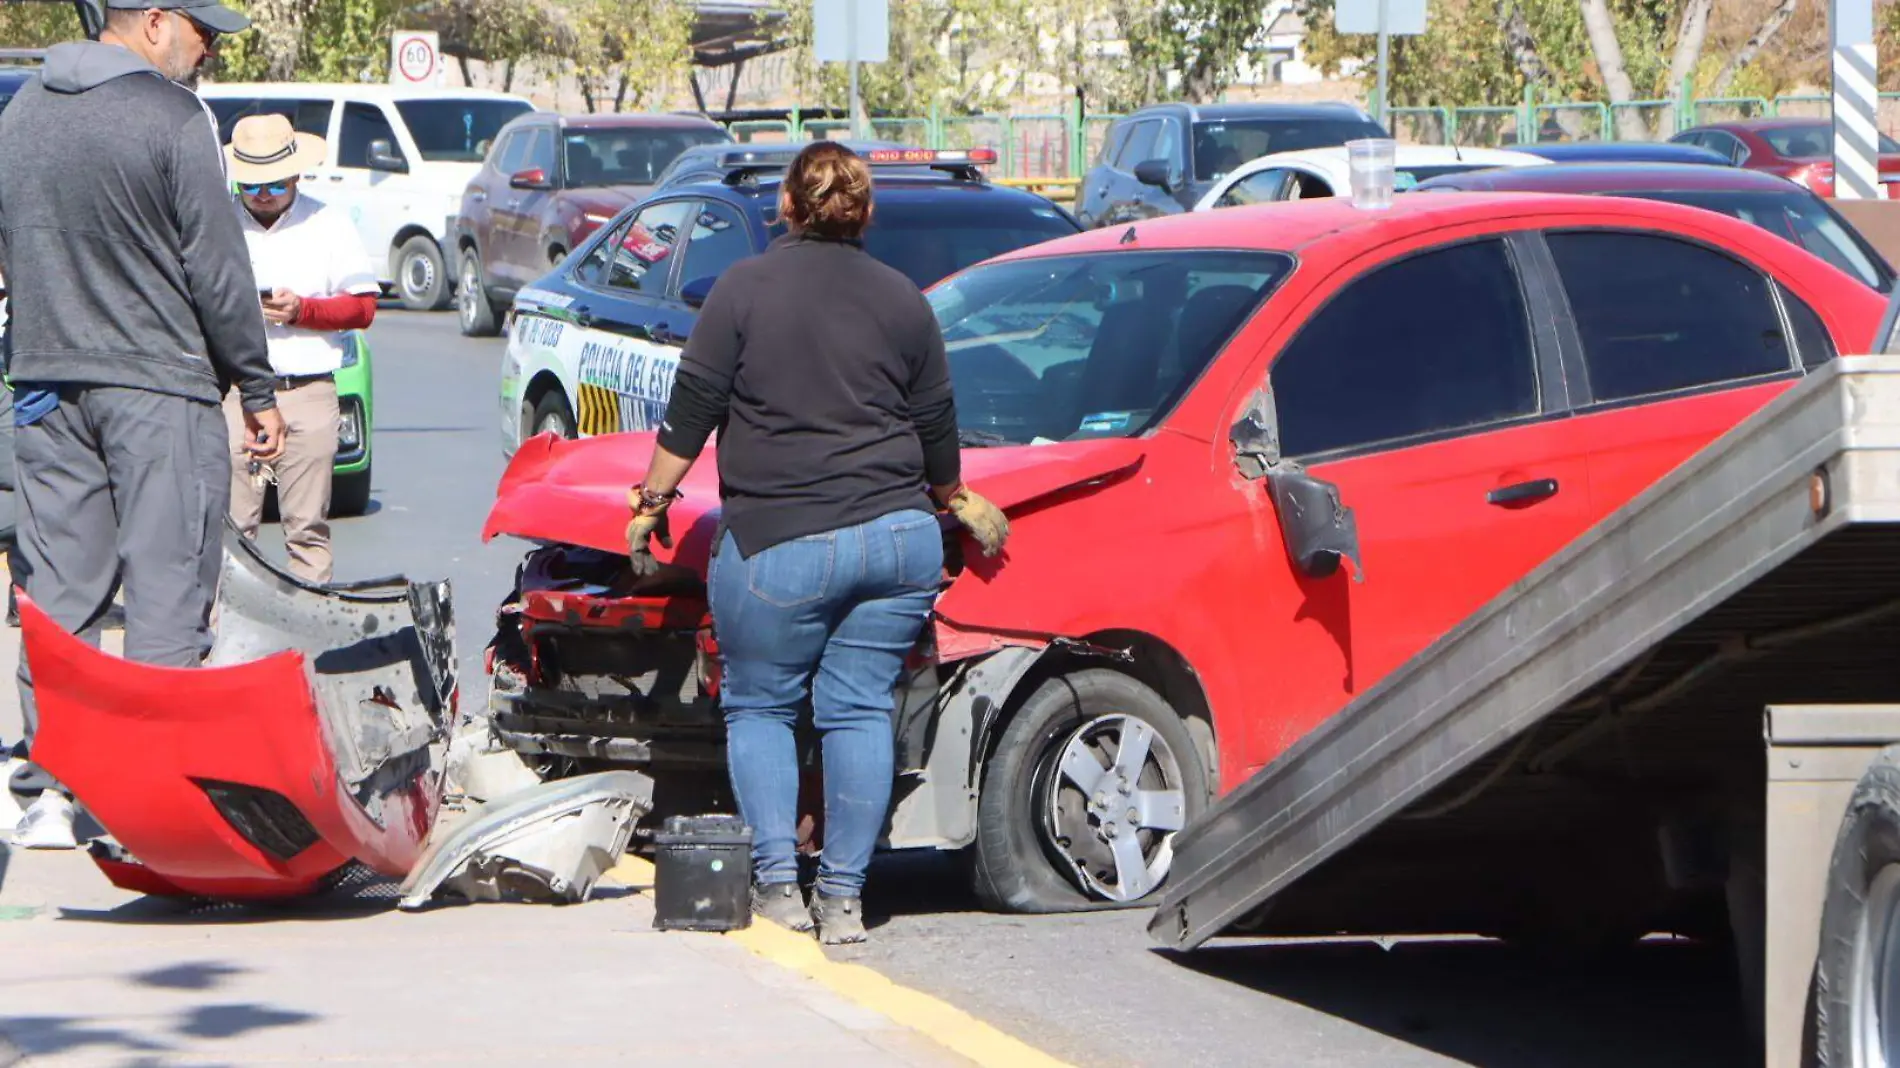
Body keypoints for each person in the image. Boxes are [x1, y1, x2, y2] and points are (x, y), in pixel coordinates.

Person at [626, 142, 1009, 945]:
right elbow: (937, 427)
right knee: (859, 708)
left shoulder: (742, 290)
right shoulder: (904, 300)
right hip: (898, 540)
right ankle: (842, 898)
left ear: (787, 208)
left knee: (763, 707)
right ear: (865, 213)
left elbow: (690, 413)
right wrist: (954, 499)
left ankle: (778, 887)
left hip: (781, 541)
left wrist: (652, 502)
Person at [0, 0, 285, 849]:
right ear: (155, 22)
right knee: (166, 590)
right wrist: (256, 385)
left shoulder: (21, 111)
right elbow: (218, 268)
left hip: (47, 384)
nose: (207, 54)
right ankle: (144, 793)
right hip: (159, 388)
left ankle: (49, 787)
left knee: (59, 592)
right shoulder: (172, 117)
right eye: (203, 35)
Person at [224, 114, 378, 584]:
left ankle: (306, 644)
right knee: (231, 528)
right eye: (252, 187)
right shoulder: (215, 222)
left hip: (308, 389)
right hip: (232, 394)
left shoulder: (327, 223)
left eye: (273, 183)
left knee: (307, 529)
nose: (264, 195)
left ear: (295, 175)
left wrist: (302, 311)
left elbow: (363, 308)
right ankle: (222, 639)